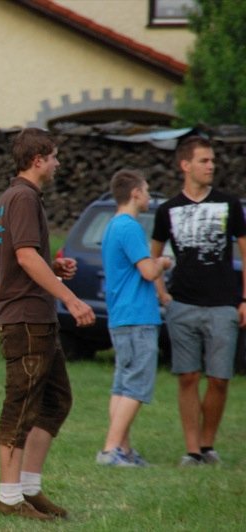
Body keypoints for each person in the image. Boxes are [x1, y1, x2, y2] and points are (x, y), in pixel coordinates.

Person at [0, 128, 95, 521]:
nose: (58, 163)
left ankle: (29, 488)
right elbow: (23, 257)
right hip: (26, 319)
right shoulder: (23, 198)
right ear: (38, 160)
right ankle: (9, 497)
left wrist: (50, 267)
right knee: (20, 407)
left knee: (55, 401)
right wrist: (70, 298)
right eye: (54, 157)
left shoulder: (9, 198)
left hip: (34, 317)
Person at [151, 135, 246, 467]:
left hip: (223, 305)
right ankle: (192, 450)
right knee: (188, 376)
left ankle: (208, 444)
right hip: (183, 304)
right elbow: (153, 256)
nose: (211, 166)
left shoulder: (229, 205)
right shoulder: (167, 210)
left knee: (219, 378)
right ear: (185, 165)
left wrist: (245, 298)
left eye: (213, 161)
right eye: (204, 160)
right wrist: (163, 295)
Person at [97, 170, 173, 467]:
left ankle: (123, 450)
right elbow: (148, 272)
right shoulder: (129, 227)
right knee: (136, 386)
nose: (149, 197)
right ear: (135, 193)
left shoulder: (112, 226)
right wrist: (163, 262)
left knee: (122, 386)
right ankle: (111, 450)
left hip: (120, 315)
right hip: (137, 316)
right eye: (147, 190)